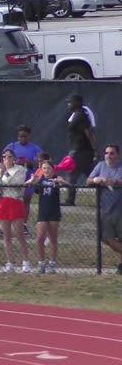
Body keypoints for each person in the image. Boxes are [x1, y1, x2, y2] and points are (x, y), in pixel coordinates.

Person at [0, 148, 30, 273]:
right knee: (6, 235)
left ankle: (25, 262)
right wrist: (1, 173)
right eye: (4, 157)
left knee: (19, 234)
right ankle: (10, 262)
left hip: (15, 201)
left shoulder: (20, 170)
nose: (6, 159)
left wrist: (5, 174)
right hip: (3, 201)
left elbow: (16, 183)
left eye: (9, 157)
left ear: (14, 158)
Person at [87, 144, 122, 274]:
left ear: (117, 155)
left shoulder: (120, 167)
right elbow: (88, 180)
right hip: (105, 209)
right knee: (106, 238)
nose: (109, 155)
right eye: (106, 153)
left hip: (119, 209)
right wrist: (96, 179)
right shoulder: (101, 165)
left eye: (112, 153)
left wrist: (115, 182)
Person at [7, 125, 43, 232]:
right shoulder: (12, 146)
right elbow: (4, 159)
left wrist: (29, 161)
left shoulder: (35, 148)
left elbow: (42, 161)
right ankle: (9, 223)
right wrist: (14, 162)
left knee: (26, 201)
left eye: (25, 136)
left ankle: (24, 224)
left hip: (29, 176)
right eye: (21, 136)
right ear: (18, 137)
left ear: (29, 136)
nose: (23, 138)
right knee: (12, 200)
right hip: (14, 177)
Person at [65, 95, 98, 207]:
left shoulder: (80, 115)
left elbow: (88, 132)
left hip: (80, 150)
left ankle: (70, 200)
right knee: (90, 175)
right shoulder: (77, 114)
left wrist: (95, 149)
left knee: (71, 174)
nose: (68, 105)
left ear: (77, 102)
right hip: (83, 150)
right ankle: (103, 197)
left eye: (70, 102)